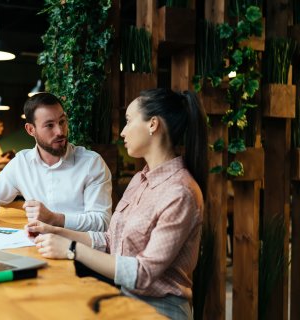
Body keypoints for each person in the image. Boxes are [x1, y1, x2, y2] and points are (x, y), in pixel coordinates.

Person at [26, 89, 208, 320]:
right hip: (126, 301)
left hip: (160, 311)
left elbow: (143, 273)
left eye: (129, 121)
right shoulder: (139, 180)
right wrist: (56, 232)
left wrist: (71, 250)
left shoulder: (180, 192)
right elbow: (110, 240)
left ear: (153, 124)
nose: (122, 131)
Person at [0, 92, 112, 232]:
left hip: (79, 251)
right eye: (49, 125)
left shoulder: (91, 163)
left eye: (62, 121)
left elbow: (102, 222)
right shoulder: (21, 164)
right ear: (30, 130)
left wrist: (56, 219)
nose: (60, 131)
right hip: (37, 246)